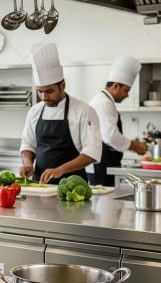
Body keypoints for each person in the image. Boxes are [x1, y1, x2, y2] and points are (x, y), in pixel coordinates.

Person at [19, 42, 102, 185]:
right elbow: (28, 143)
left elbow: (92, 152)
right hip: (39, 184)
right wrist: (27, 163)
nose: (44, 97)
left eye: (49, 91)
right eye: (40, 91)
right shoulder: (34, 111)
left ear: (62, 86)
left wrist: (61, 169)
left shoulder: (84, 111)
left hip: (73, 187)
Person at [89, 56, 147, 186]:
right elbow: (110, 136)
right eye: (126, 90)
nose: (127, 95)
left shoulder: (104, 101)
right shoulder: (103, 103)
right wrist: (135, 146)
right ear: (115, 86)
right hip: (101, 166)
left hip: (104, 165)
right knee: (104, 204)